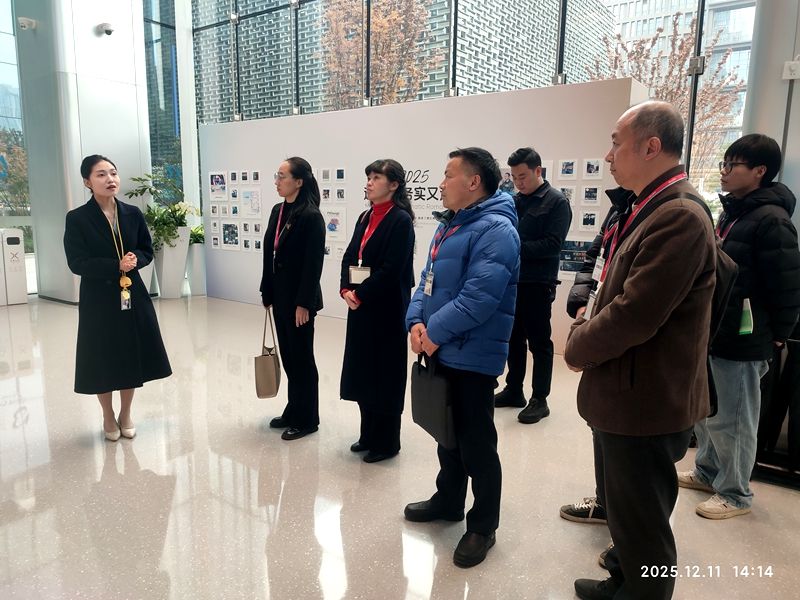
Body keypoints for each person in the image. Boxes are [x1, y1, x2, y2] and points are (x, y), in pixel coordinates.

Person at [564, 101, 716, 600]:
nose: (608, 156)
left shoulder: (679, 216)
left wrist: (576, 347)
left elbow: (634, 314)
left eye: (616, 143)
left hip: (646, 400)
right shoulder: (647, 205)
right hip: (627, 391)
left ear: (651, 147)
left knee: (644, 523)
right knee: (627, 514)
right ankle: (622, 581)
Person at [404, 147, 520, 568]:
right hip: (442, 347)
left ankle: (483, 526)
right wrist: (415, 321)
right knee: (447, 432)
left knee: (477, 444)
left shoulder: (497, 229)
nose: (441, 183)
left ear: (474, 182)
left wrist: (432, 333)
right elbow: (427, 281)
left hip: (473, 355)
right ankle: (449, 499)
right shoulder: (450, 224)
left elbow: (479, 299)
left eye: (448, 175)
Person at [678, 134, 800, 519]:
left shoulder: (773, 220)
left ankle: (735, 493)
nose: (724, 171)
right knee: (708, 411)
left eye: (733, 165)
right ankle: (708, 471)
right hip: (718, 328)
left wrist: (778, 334)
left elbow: (787, 285)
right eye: (724, 163)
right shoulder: (735, 213)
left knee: (735, 418)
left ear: (760, 171)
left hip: (746, 336)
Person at [63, 155, 172, 441]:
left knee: (129, 353)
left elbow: (146, 249)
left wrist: (136, 259)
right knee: (102, 355)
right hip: (98, 298)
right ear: (87, 182)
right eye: (101, 175)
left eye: (113, 173)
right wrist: (115, 265)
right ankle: (107, 414)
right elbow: (77, 262)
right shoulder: (77, 218)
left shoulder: (132, 213)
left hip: (132, 293)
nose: (110, 179)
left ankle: (125, 413)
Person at [339, 159, 415, 463]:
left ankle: (386, 443)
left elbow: (392, 269)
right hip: (360, 306)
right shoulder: (365, 216)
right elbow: (349, 256)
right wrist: (345, 289)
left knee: (384, 373)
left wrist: (360, 293)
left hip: (386, 308)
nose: (369, 182)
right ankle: (368, 434)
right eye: (368, 177)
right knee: (363, 370)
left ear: (394, 185)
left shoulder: (400, 220)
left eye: (376, 177)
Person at [493, 147, 571, 425]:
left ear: (538, 171)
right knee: (513, 338)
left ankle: (540, 398)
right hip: (512, 281)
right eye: (514, 177)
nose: (518, 182)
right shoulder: (513, 201)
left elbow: (553, 245)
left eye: (523, 176)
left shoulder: (556, 202)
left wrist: (514, 247)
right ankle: (514, 389)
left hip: (538, 283)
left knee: (539, 342)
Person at [260, 157, 325, 441]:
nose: (277, 181)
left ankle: (308, 419)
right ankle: (293, 409)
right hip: (280, 296)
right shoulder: (278, 210)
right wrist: (266, 290)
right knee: (288, 356)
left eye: (282, 176)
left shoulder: (310, 216)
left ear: (299, 181)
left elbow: (313, 264)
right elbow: (269, 253)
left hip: (299, 301)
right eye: (276, 176)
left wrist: (304, 303)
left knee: (302, 359)